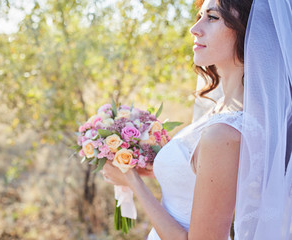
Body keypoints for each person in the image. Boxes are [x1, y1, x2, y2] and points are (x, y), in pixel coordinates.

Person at [101, 0, 253, 239]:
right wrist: (156, 167)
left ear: (246, 29)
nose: (194, 28)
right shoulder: (221, 108)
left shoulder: (226, 133)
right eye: (200, 16)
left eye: (212, 17)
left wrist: (131, 181)